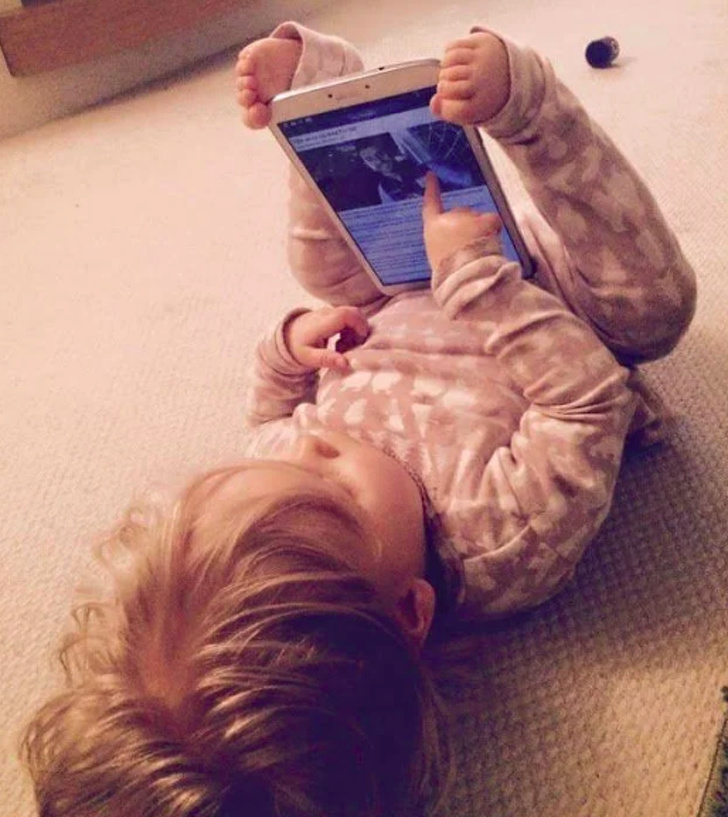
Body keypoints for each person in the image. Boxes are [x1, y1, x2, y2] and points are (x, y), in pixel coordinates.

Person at [21, 20, 697, 817]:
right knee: (654, 308)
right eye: (334, 489)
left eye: (259, 468)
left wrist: (289, 350)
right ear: (410, 610)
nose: (308, 441)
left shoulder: (275, 480)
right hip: (542, 300)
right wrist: (476, 281)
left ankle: (322, 92)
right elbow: (586, 399)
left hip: (397, 288)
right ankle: (534, 114)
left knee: (321, 272)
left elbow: (270, 409)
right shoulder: (498, 540)